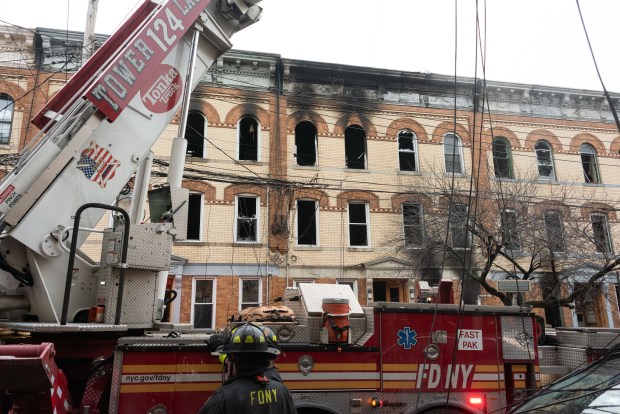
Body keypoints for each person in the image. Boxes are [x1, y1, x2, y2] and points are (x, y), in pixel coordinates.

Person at [198, 323, 297, 413]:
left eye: (229, 358)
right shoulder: (283, 392)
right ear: (264, 356)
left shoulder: (223, 397)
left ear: (234, 359)